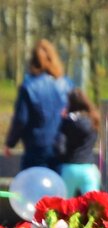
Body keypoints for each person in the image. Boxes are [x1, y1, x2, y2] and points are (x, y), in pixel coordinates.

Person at [4, 39, 72, 171]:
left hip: (36, 148)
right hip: (62, 146)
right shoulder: (67, 85)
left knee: (32, 187)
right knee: (58, 189)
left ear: (33, 62)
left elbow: (21, 119)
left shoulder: (29, 87)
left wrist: (10, 143)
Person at [56, 89, 102, 197]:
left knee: (64, 207)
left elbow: (59, 146)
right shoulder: (93, 119)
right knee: (93, 205)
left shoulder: (67, 122)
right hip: (88, 168)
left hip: (69, 168)